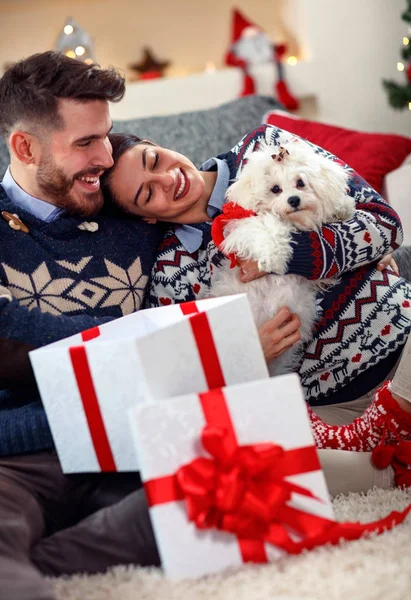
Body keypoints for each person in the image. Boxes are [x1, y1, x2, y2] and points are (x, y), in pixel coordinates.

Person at [0, 52, 307, 598]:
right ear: (25, 146)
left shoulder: (128, 205)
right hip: (21, 453)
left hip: (139, 439)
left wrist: (323, 249)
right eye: (84, 144)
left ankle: (53, 552)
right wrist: (205, 347)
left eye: (107, 136)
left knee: (254, 487)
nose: (105, 156)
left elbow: (228, 204)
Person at [102, 130, 411, 494]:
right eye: (147, 193)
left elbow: (385, 226)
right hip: (335, 410)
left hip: (402, 349)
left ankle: (396, 423)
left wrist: (283, 257)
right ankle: (388, 463)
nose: (168, 179)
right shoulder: (170, 273)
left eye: (153, 161)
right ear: (145, 219)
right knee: (237, 466)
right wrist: (248, 352)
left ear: (156, 145)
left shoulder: (264, 148)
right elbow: (187, 383)